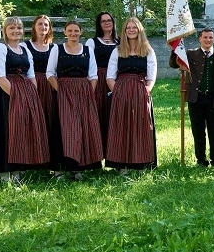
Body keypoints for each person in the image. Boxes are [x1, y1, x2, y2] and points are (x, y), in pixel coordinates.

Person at [0, 17, 49, 181]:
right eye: (12, 28)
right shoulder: (0, 48)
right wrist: (17, 96)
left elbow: (31, 75)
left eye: (19, 28)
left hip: (26, 93)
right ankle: (4, 172)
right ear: (5, 30)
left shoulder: (25, 49)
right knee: (7, 130)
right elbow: (0, 77)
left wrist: (32, 97)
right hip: (7, 94)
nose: (16, 31)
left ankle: (17, 170)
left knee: (21, 131)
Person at [46, 20, 103, 177]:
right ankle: (59, 169)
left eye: (76, 31)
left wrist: (88, 94)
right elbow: (50, 73)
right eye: (70, 31)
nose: (73, 34)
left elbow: (93, 75)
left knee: (82, 129)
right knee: (62, 129)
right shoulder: (57, 49)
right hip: (63, 92)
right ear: (65, 32)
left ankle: (78, 168)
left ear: (81, 32)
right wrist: (61, 92)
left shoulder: (87, 50)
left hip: (84, 93)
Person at [105, 17, 157, 174]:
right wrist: (118, 92)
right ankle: (123, 165)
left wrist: (146, 91)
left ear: (140, 30)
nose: (131, 30)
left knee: (141, 127)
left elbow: (152, 75)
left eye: (134, 27)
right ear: (124, 31)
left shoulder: (148, 50)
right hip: (121, 90)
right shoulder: (118, 50)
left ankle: (141, 164)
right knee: (121, 126)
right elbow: (109, 76)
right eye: (128, 28)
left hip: (140, 90)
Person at [186, 28, 214, 167]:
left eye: (210, 37)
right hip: (196, 99)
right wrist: (173, 49)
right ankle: (201, 160)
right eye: (205, 37)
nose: (208, 40)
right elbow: (174, 64)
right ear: (200, 38)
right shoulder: (191, 54)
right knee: (198, 132)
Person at [86, 12, 119, 155]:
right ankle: (98, 153)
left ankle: (115, 152)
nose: (107, 23)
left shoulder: (121, 42)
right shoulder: (92, 42)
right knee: (99, 115)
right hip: (98, 81)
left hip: (117, 80)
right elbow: (87, 64)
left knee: (115, 115)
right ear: (99, 24)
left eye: (109, 20)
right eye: (103, 21)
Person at [24, 15, 56, 146]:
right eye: (40, 24)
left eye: (46, 25)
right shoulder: (25, 46)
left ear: (49, 28)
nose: (43, 27)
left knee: (48, 116)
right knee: (33, 117)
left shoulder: (54, 48)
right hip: (32, 84)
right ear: (34, 27)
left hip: (49, 85)